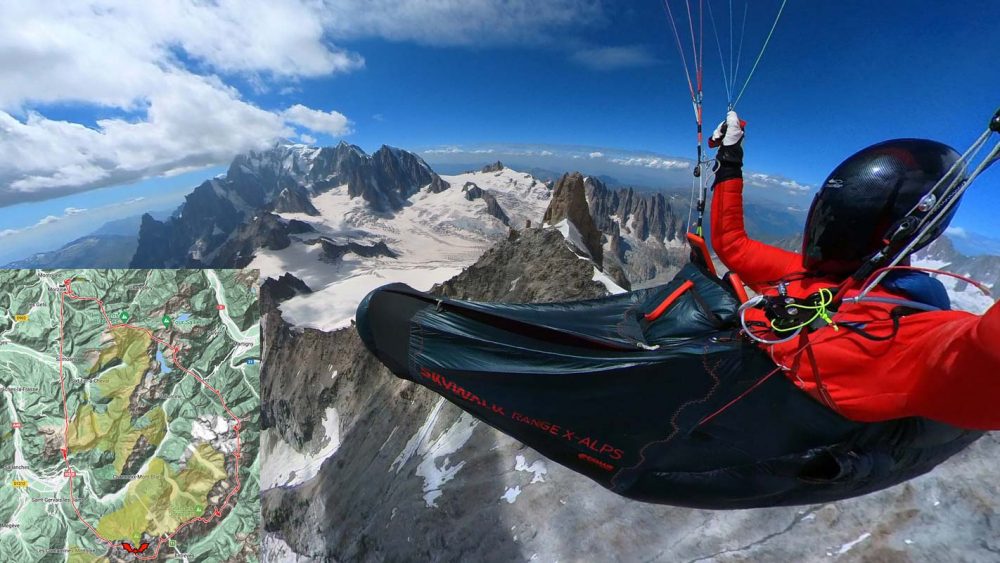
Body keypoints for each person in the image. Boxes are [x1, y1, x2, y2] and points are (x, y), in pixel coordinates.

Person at [709, 111, 1000, 431]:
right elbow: (732, 245)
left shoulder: (909, 335)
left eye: (842, 223)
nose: (825, 232)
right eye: (826, 217)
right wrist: (730, 158)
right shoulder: (808, 274)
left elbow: (987, 352)